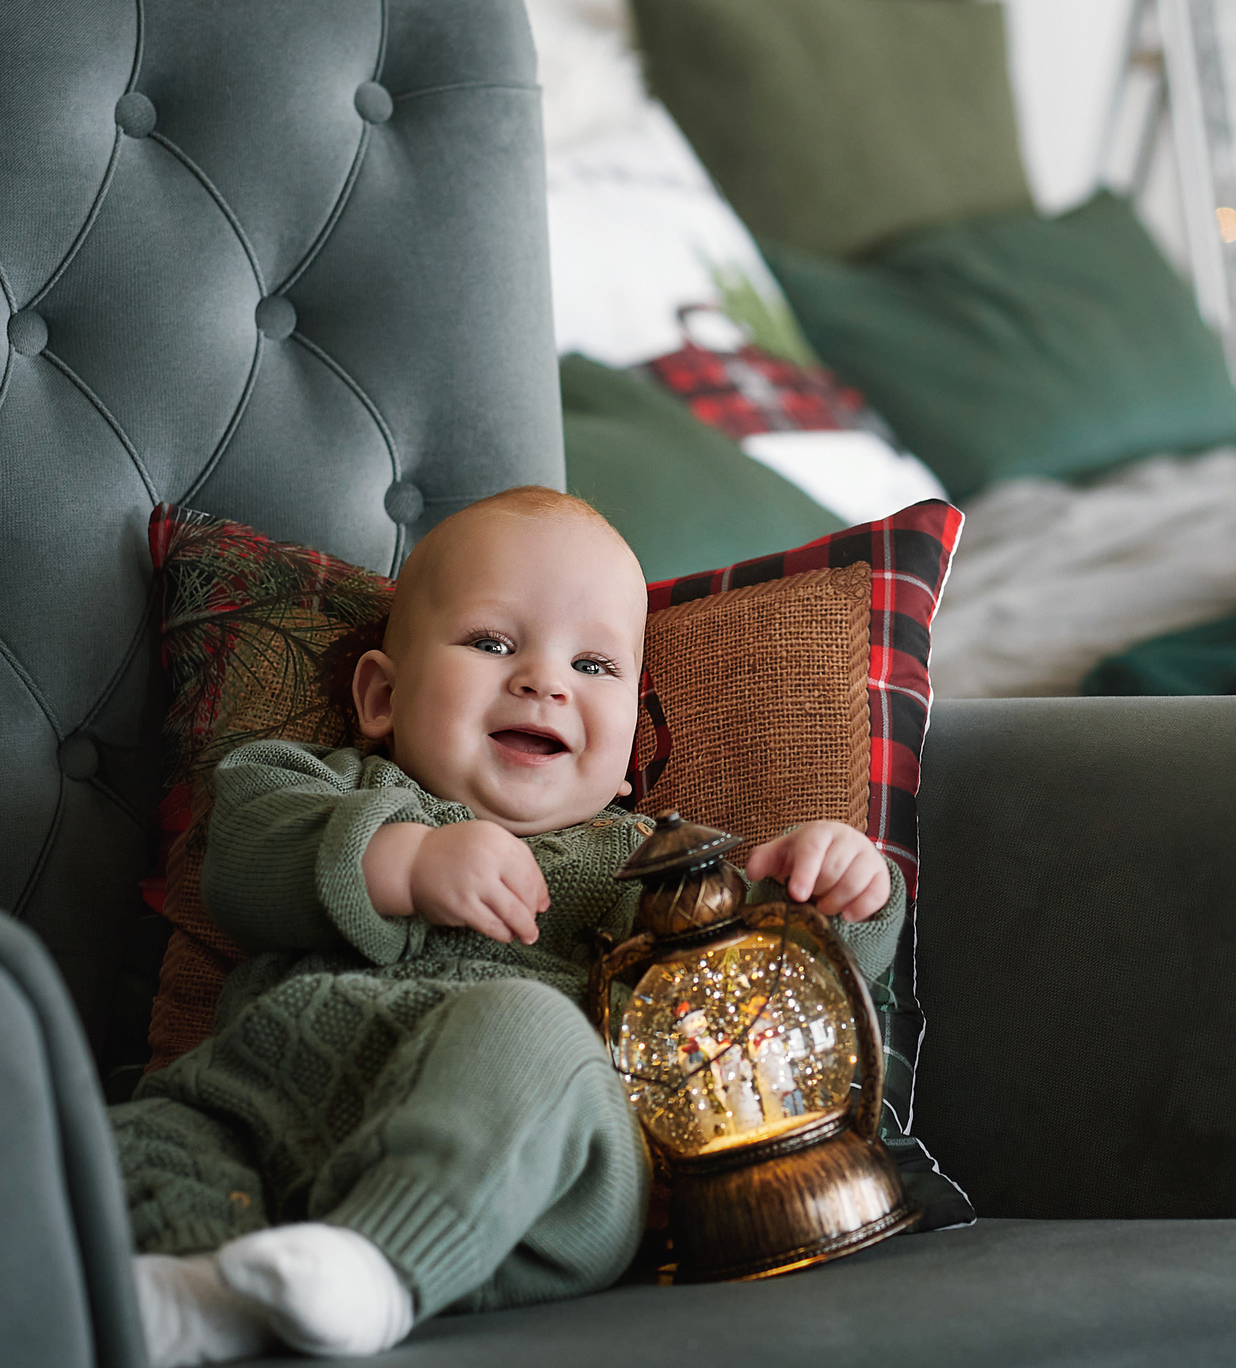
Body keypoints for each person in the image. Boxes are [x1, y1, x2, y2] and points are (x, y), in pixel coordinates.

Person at [114, 487, 903, 1365]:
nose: (545, 679)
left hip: (527, 1176)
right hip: (262, 1109)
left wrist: (829, 898)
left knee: (532, 1029)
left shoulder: (648, 868)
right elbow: (239, 861)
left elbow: (760, 1008)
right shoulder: (327, 787)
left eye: (595, 666)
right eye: (493, 643)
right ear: (380, 695)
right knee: (127, 1139)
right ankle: (205, 1298)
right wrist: (403, 862)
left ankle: (378, 1270)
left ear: (631, 742)